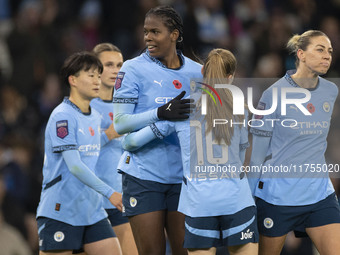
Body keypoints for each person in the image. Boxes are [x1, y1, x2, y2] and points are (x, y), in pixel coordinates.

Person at [121, 48, 259, 255]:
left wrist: (161, 113)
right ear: (230, 77)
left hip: (199, 204)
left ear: (202, 71)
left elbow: (130, 142)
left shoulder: (183, 109)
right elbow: (241, 159)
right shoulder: (241, 108)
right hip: (236, 200)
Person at [112, 5, 202, 255]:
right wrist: (161, 113)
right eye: (145, 32)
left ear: (174, 34)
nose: (148, 38)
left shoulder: (197, 72)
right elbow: (120, 124)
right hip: (143, 176)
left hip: (183, 177)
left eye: (155, 31)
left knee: (185, 251)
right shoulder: (132, 69)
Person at [248, 30, 340, 255]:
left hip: (319, 194)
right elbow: (257, 155)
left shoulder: (331, 90)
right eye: (319, 50)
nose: (327, 56)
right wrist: (248, 201)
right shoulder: (272, 94)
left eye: (329, 51)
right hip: (278, 197)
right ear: (301, 54)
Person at [36, 51, 122, 255]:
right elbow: (74, 165)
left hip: (92, 211)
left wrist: (108, 135)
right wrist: (111, 193)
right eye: (90, 75)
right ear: (72, 80)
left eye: (98, 76)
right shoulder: (62, 116)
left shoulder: (95, 116)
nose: (97, 81)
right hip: (62, 210)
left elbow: (89, 145)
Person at [91, 43, 138, 255]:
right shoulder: (85, 106)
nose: (115, 70)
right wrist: (108, 134)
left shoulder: (127, 106)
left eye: (119, 65)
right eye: (108, 64)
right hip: (91, 201)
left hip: (120, 199)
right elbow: (74, 151)